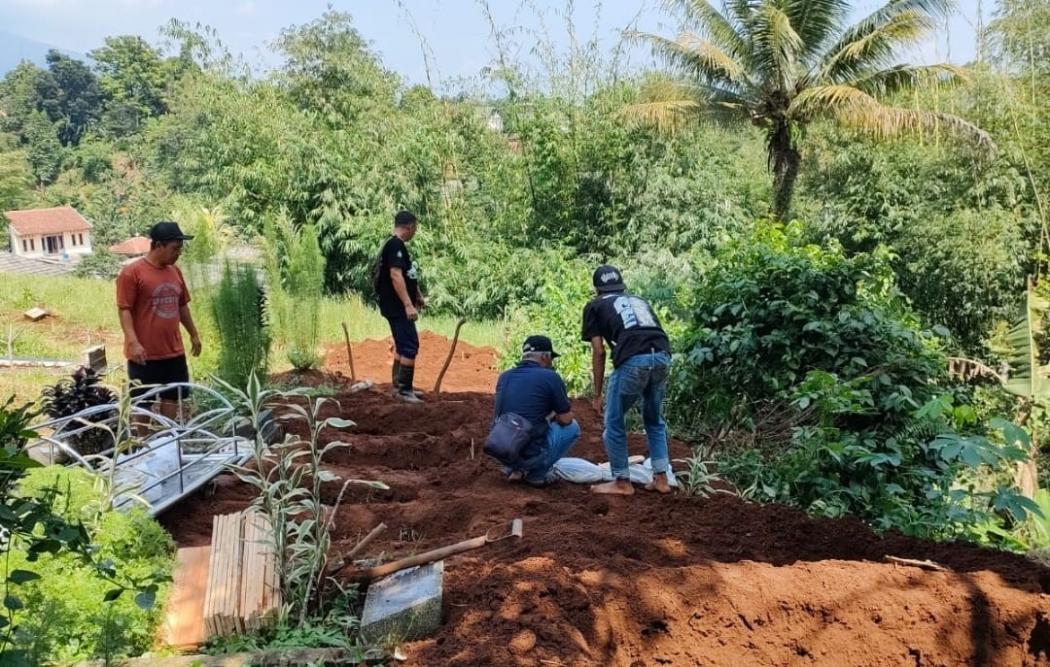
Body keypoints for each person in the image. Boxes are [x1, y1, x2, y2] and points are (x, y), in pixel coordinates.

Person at [582, 265, 673, 496]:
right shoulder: (639, 300)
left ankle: (622, 481)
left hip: (633, 360)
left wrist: (597, 394)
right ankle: (661, 478)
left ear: (597, 290)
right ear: (621, 286)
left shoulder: (595, 306)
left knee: (613, 422)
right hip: (662, 355)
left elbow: (599, 351)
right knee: (654, 420)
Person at [115, 221, 202, 423]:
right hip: (144, 354)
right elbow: (124, 310)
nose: (178, 253)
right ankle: (142, 443)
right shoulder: (132, 273)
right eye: (174, 248)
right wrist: (133, 342)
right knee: (142, 401)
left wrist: (194, 334)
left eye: (180, 249)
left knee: (172, 396)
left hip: (173, 350)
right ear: (158, 245)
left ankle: (167, 436)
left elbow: (182, 307)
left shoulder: (175, 272)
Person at [491, 335, 580, 486]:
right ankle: (537, 475)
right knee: (573, 428)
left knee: (519, 426)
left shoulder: (504, 377)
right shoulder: (550, 377)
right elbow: (565, 419)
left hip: (500, 450)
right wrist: (556, 416)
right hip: (530, 452)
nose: (551, 363)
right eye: (551, 358)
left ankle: (515, 470)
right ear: (545, 356)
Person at [373, 210, 426, 403]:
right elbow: (396, 275)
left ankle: (398, 385)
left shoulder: (393, 244)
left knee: (402, 343)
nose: (415, 232)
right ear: (410, 226)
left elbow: (407, 274)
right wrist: (408, 304)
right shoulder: (395, 245)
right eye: (415, 228)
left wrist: (417, 295)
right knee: (410, 344)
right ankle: (404, 390)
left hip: (396, 306)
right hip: (397, 307)